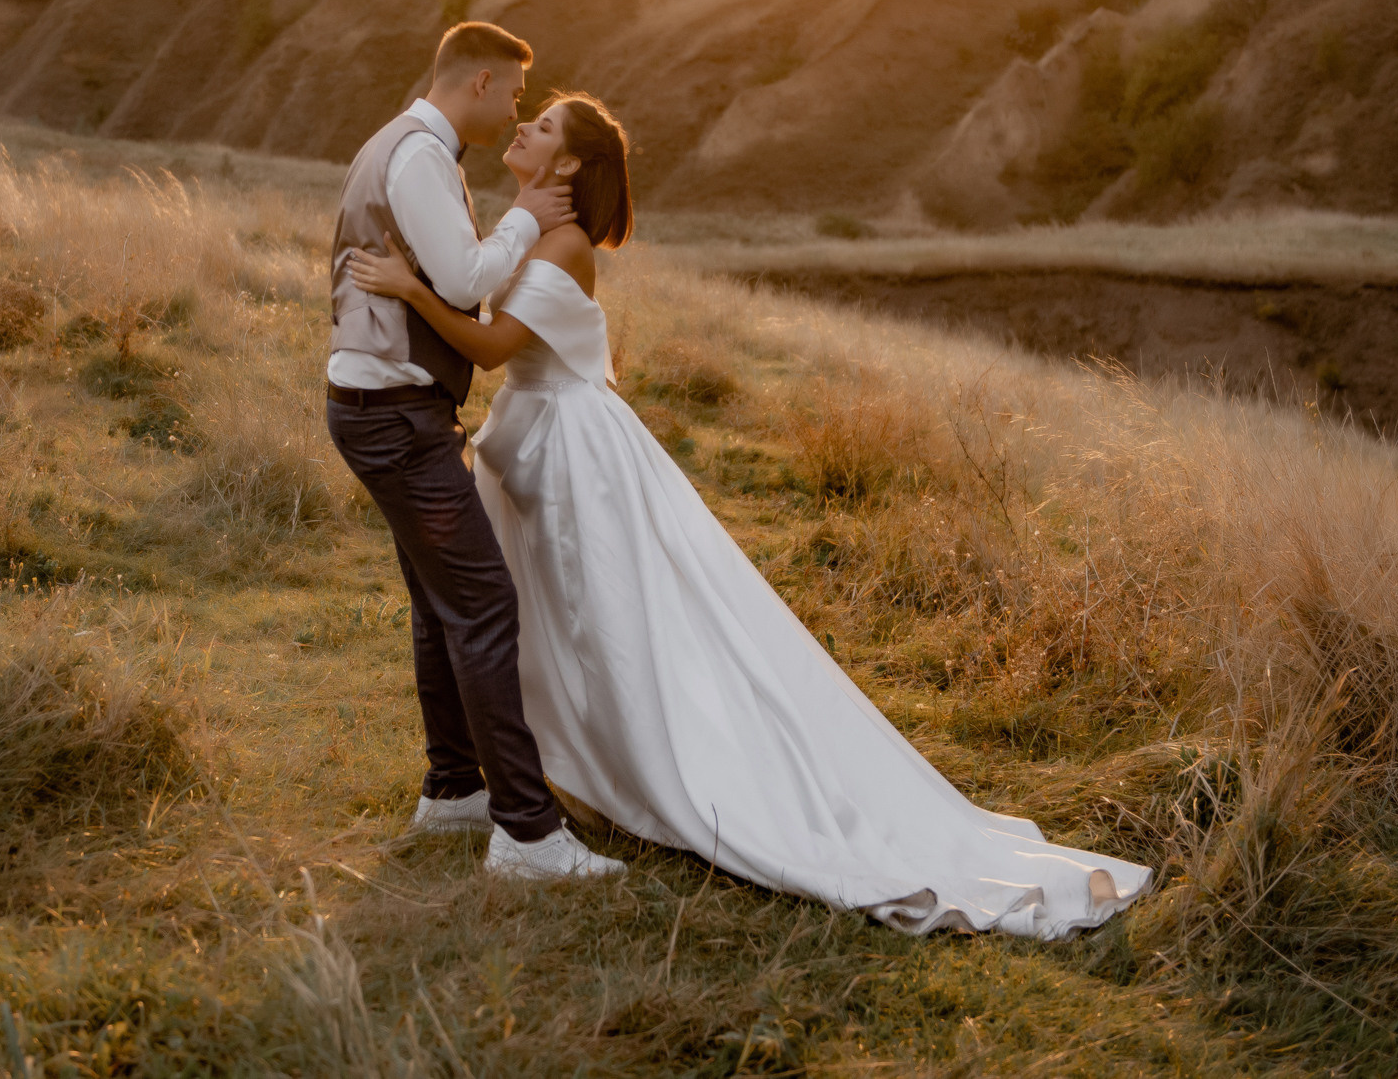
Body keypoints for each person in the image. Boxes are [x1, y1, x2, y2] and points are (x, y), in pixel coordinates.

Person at [348, 91, 1152, 937]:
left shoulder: (567, 243)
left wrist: (407, 285)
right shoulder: (533, 229)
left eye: (542, 125)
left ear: (572, 163)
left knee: (621, 623)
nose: (524, 127)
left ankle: (660, 775)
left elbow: (488, 345)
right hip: (536, 437)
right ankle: (518, 780)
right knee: (551, 618)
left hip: (577, 454)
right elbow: (486, 287)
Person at [325, 21, 626, 882]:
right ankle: (527, 832)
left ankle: (455, 788)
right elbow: (466, 285)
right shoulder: (421, 155)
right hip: (394, 412)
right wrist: (525, 219)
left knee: (441, 600)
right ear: (484, 82)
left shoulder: (418, 150)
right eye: (519, 99)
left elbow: (466, 302)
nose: (520, 114)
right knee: (485, 605)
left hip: (393, 407)